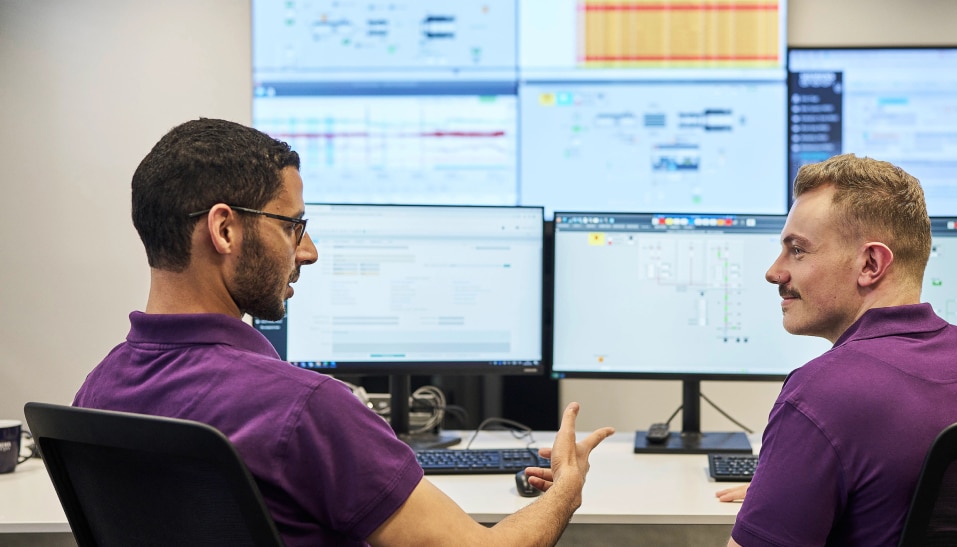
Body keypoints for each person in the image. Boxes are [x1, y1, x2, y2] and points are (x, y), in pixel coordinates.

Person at [74, 117, 614, 547]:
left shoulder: (96, 394)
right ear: (224, 229)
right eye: (292, 226)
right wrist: (567, 486)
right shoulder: (302, 408)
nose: (308, 251)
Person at [720, 153, 957, 547]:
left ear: (871, 264)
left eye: (798, 250)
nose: (774, 272)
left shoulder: (820, 393)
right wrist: (782, 492)